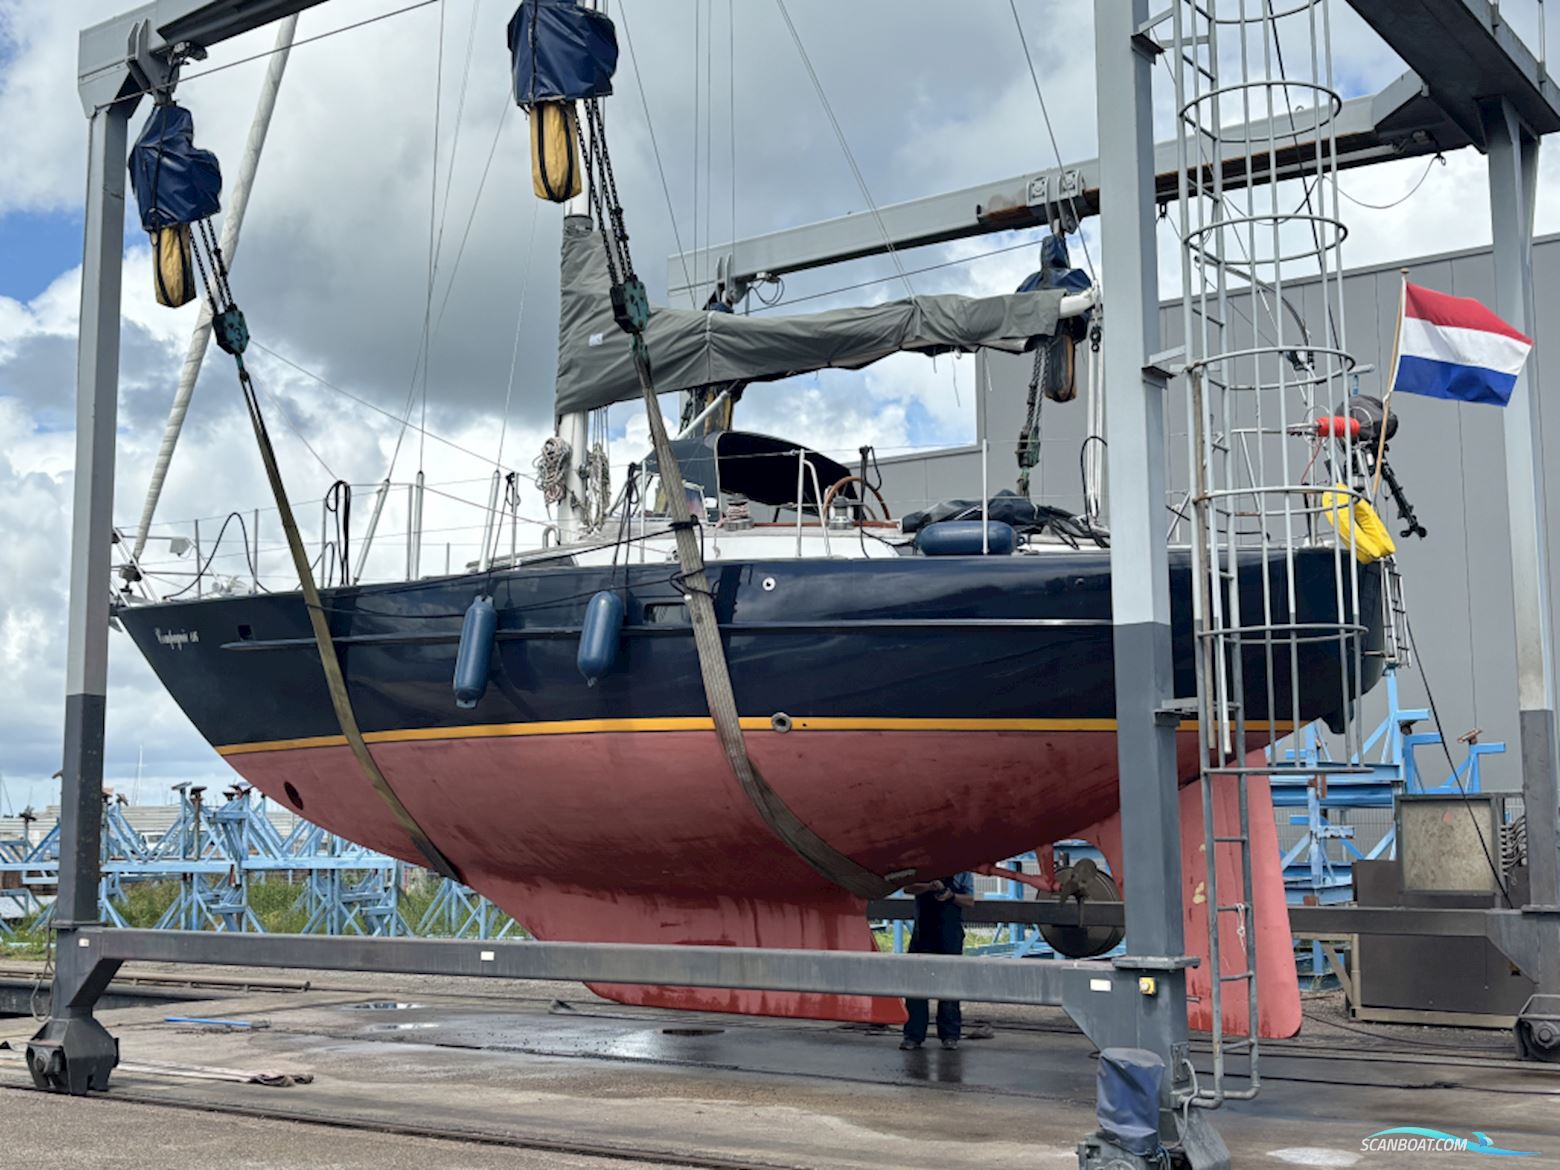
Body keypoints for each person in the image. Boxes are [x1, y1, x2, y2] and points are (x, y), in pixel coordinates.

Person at [899, 872, 976, 1050]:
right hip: (924, 933)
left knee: (949, 986)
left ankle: (949, 1035)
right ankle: (913, 1035)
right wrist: (929, 887)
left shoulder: (964, 872)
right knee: (916, 986)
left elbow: (970, 900)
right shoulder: (926, 866)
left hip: (949, 933)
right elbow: (908, 888)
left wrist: (951, 895)